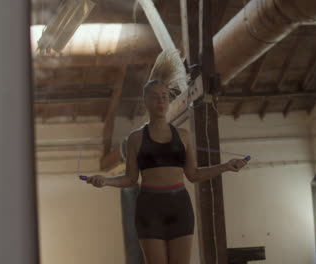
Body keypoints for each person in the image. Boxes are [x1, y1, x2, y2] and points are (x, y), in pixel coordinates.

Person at [84, 50, 247, 264]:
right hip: (149, 209)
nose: (161, 101)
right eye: (155, 97)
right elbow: (130, 179)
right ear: (146, 101)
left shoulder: (184, 136)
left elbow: (194, 175)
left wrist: (226, 166)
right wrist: (105, 181)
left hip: (180, 207)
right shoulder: (135, 139)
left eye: (164, 97)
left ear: (169, 100)